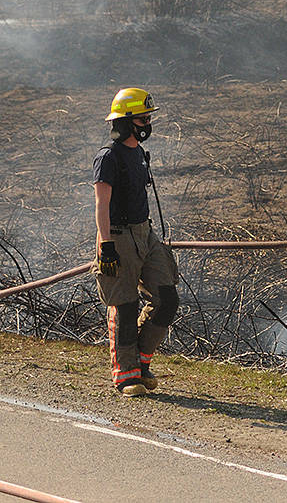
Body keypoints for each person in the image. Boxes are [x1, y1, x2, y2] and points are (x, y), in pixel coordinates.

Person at [92, 87, 179, 397]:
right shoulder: (108, 156)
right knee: (125, 305)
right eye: (143, 119)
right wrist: (106, 245)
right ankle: (126, 375)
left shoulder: (139, 154)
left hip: (146, 233)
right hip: (118, 235)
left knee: (167, 299)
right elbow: (102, 204)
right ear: (128, 122)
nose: (147, 125)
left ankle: (140, 363)